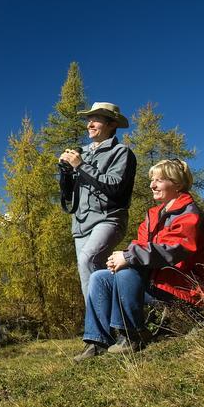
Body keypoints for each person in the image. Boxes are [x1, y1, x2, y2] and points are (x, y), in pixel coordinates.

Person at [73, 159, 204, 362]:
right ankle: (98, 341)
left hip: (191, 289)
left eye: (159, 180)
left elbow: (177, 249)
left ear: (178, 184)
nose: (152, 185)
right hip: (161, 283)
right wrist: (121, 258)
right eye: (152, 180)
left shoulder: (189, 213)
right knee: (99, 278)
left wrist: (128, 257)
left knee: (127, 269)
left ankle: (131, 334)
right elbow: (140, 245)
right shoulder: (154, 215)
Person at [58, 102, 137, 299]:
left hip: (108, 218)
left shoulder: (121, 152)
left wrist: (81, 166)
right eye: (88, 120)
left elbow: (115, 186)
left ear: (111, 124)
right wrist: (66, 173)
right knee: (88, 276)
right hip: (81, 223)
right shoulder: (80, 153)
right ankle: (109, 322)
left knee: (88, 260)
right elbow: (69, 195)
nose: (89, 124)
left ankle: (99, 329)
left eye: (96, 119)